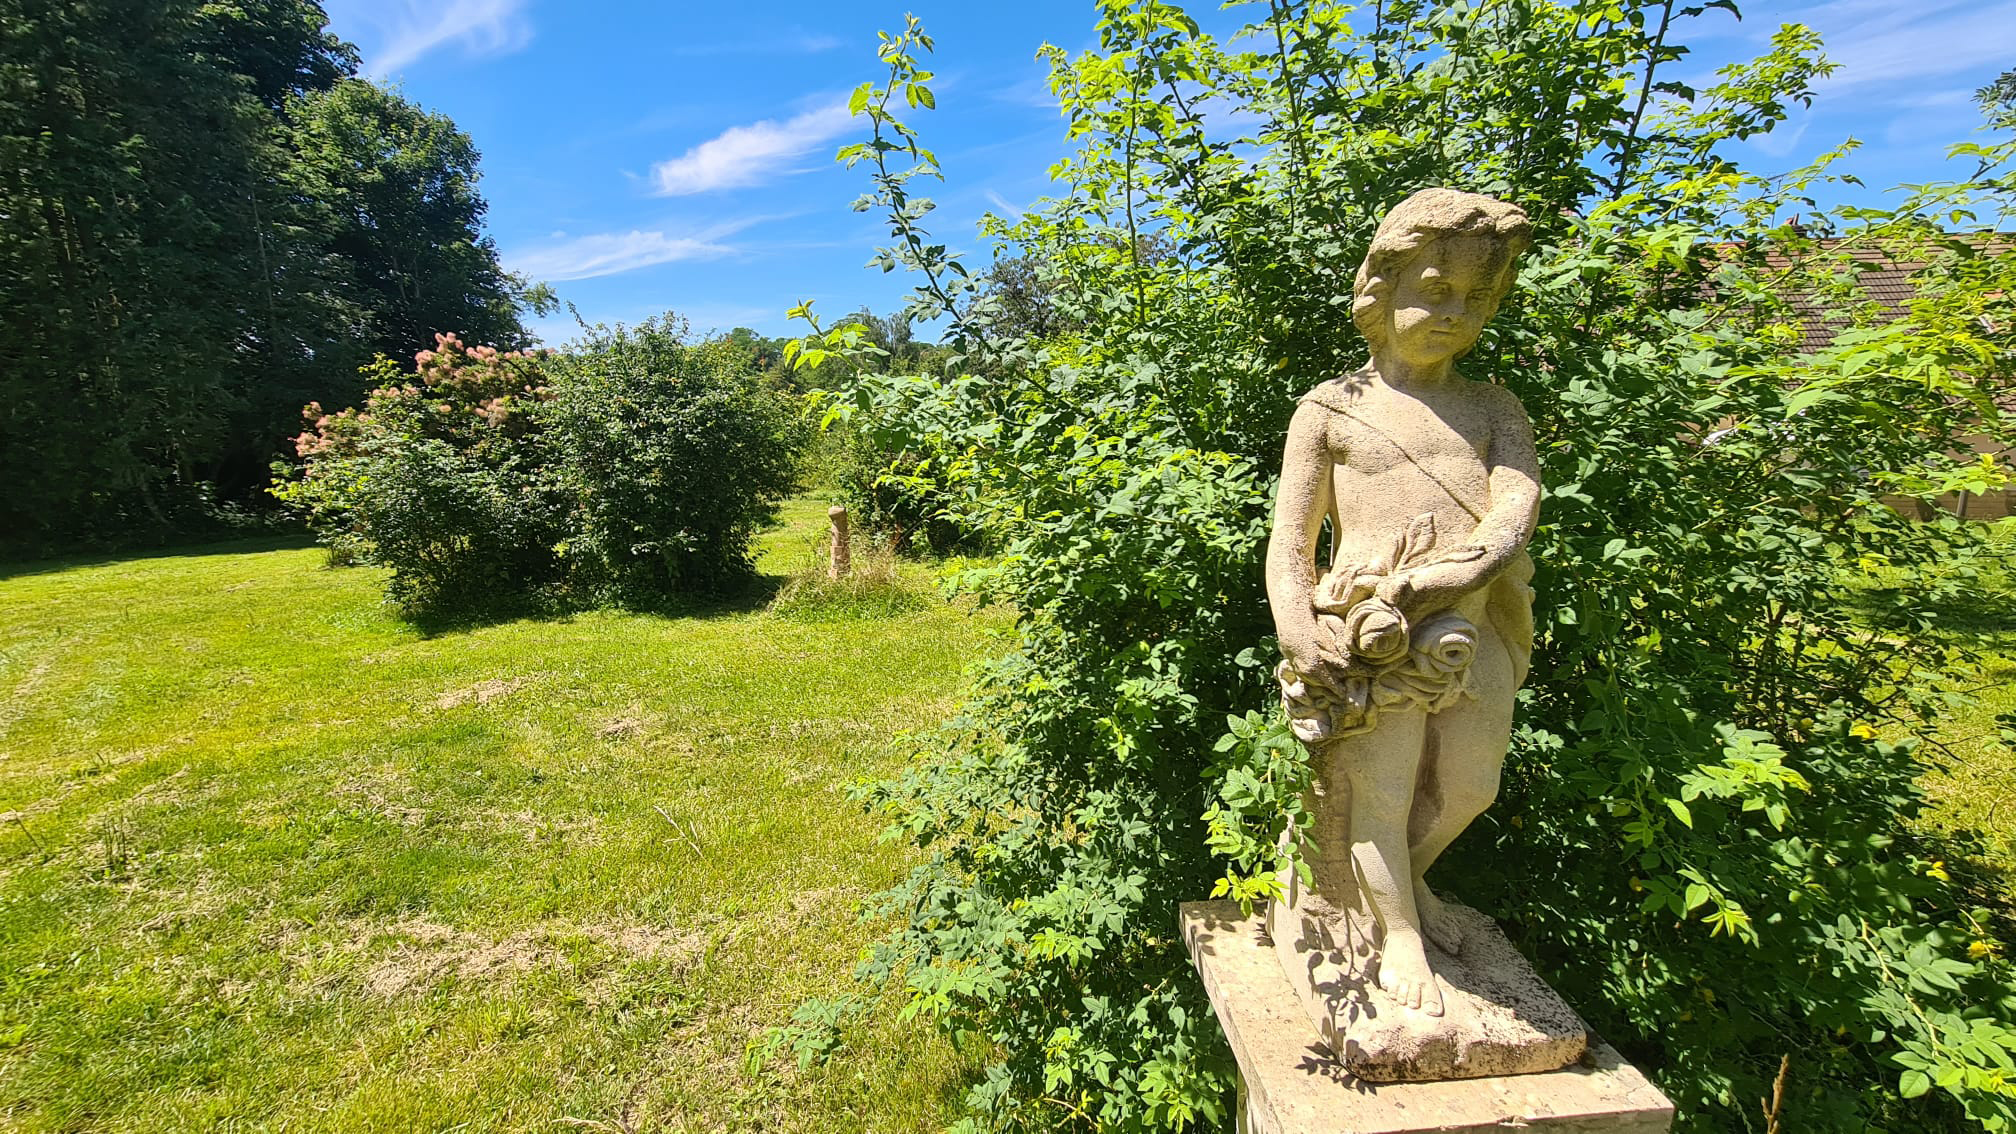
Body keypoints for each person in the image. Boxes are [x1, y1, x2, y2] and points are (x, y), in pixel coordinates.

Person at [1264, 188, 1539, 1022]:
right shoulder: (1331, 409)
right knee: (1380, 794)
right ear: (1380, 292)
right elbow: (1290, 540)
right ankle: (1400, 933)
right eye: (1437, 290)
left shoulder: (1493, 408)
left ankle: (1409, 882)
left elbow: (1516, 507)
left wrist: (1457, 572)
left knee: (1470, 788)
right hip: (1370, 633)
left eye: (1478, 298)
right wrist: (1297, 626)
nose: (1457, 313)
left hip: (1472, 623)